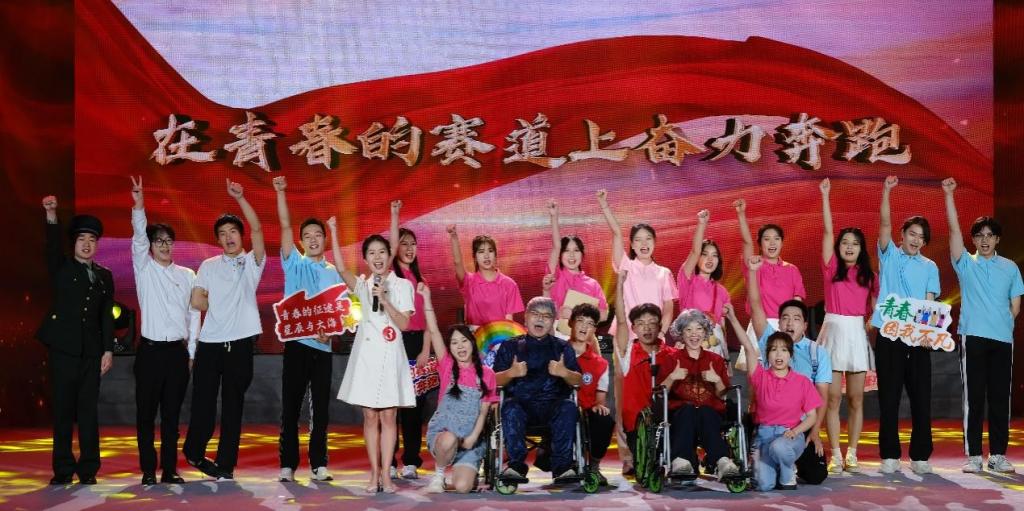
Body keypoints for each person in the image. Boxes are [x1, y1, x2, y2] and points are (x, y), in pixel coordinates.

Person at [184, 179, 266, 481]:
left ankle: (226, 465)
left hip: (240, 345)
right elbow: (197, 300)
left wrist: (241, 198)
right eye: (222, 233)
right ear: (217, 240)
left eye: (233, 232)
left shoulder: (252, 263)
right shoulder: (208, 265)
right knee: (203, 404)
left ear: (241, 236)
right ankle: (194, 451)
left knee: (233, 407)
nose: (228, 237)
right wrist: (212, 302)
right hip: (210, 344)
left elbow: (258, 229)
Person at [943, 178, 1023, 474]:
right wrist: (949, 195)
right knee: (974, 398)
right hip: (973, 337)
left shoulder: (1010, 267)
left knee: (1001, 398)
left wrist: (1002, 324)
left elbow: (1016, 304)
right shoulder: (966, 263)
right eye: (979, 236)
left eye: (990, 235)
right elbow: (954, 232)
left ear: (997, 239)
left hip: (1002, 340)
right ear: (974, 240)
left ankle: (998, 455)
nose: (985, 240)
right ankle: (974, 455)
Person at [331, 217, 416, 494]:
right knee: (369, 416)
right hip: (367, 355)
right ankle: (374, 473)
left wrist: (386, 298)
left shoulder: (402, 286)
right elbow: (341, 268)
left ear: (389, 255)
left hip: (391, 354)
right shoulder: (362, 285)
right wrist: (333, 231)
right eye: (371, 253)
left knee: (389, 416)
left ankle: (388, 476)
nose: (377, 257)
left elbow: (404, 324)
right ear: (366, 259)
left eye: (382, 252)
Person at [597, 189, 676, 475]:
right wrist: (605, 205)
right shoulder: (625, 266)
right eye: (638, 240)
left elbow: (668, 306)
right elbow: (615, 234)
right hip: (627, 341)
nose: (643, 244)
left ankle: (657, 451)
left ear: (655, 243)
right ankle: (629, 456)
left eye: (648, 239)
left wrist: (661, 333)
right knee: (624, 399)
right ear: (631, 244)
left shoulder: (664, 272)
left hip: (655, 343)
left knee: (654, 396)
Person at [37, 196, 115, 485]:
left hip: (91, 353)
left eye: (92, 240)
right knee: (63, 411)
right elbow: (51, 247)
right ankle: (62, 469)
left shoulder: (105, 276)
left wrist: (108, 350)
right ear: (74, 243)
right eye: (82, 239)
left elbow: (106, 315)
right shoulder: (62, 267)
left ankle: (89, 469)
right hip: (63, 350)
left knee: (88, 412)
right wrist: (51, 215)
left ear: (97, 244)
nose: (86, 244)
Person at [129, 176, 199, 485]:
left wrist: (192, 352)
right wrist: (139, 205)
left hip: (176, 354)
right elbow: (138, 238)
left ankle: (169, 469)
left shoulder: (188, 275)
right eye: (158, 241)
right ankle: (148, 469)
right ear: (151, 246)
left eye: (169, 241)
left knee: (171, 415)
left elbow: (194, 315)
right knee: (146, 414)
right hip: (149, 352)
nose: (164, 246)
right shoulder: (144, 269)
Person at [272, 176, 339, 483]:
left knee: (320, 410)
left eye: (317, 235)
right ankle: (287, 464)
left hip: (323, 348)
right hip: (297, 346)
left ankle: (319, 463)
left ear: (324, 239)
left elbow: (341, 312)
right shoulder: (294, 264)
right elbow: (285, 225)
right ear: (300, 242)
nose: (313, 240)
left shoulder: (334, 272)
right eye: (307, 236)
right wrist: (281, 193)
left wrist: (331, 333)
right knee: (291, 407)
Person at [873, 175, 940, 475]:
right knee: (889, 398)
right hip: (889, 335)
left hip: (918, 338)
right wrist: (887, 191)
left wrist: (927, 332)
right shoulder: (889, 256)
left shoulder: (930, 266)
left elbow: (929, 302)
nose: (915, 240)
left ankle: (920, 455)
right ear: (902, 234)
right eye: (911, 234)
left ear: (925, 242)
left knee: (921, 399)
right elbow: (884, 224)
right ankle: (889, 455)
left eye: (921, 237)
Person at [746, 255, 830, 486]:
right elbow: (756, 306)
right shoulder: (770, 342)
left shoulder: (817, 352)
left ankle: (786, 462)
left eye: (796, 319)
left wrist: (815, 431)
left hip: (800, 427)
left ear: (805, 325)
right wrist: (752, 272)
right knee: (764, 483)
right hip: (769, 424)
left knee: (816, 476)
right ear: (779, 323)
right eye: (785, 319)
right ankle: (771, 463)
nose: (790, 323)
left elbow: (822, 397)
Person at [725, 302, 822, 491]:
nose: (779, 355)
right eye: (774, 350)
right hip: (764, 437)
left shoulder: (802, 382)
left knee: (779, 448)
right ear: (767, 354)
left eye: (784, 350)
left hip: (789, 437)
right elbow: (748, 345)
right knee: (764, 485)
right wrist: (732, 318)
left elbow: (812, 416)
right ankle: (773, 469)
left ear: (790, 355)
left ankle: (787, 471)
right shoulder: (760, 377)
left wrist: (795, 431)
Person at [818, 178, 878, 474]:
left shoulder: (869, 275)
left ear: (861, 248)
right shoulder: (830, 268)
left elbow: (878, 307)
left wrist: (869, 324)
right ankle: (836, 455)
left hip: (856, 334)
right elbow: (828, 231)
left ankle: (852, 452)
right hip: (832, 332)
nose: (849, 247)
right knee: (832, 398)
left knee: (855, 398)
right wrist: (825, 196)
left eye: (854, 244)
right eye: (845, 243)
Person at [418, 283, 498, 493]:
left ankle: (468, 470)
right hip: (443, 436)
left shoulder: (487, 374)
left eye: (464, 341)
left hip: (470, 440)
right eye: (454, 343)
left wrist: (473, 437)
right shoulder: (446, 366)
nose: (460, 346)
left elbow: (484, 411)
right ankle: (439, 476)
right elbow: (434, 330)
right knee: (449, 438)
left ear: (472, 343)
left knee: (463, 488)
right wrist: (426, 299)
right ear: (450, 348)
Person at [493, 297, 582, 481]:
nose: (540, 319)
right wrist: (511, 373)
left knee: (569, 407)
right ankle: (516, 466)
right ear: (525, 318)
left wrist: (564, 372)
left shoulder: (562, 347)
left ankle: (562, 467)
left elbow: (578, 381)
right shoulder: (509, 346)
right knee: (509, 407)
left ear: (553, 321)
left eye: (547, 316)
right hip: (521, 406)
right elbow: (494, 381)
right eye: (535, 314)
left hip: (553, 406)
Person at [658, 309, 739, 480]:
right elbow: (660, 392)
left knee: (706, 411)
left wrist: (717, 380)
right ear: (681, 333)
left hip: (710, 412)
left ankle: (722, 461)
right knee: (688, 410)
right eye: (688, 329)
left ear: (705, 332)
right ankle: (681, 460)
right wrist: (672, 377)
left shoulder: (716, 360)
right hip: (681, 413)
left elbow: (722, 394)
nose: (694, 334)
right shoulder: (671, 359)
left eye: (699, 329)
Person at [610, 270, 676, 474]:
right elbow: (621, 319)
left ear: (660, 326)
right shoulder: (627, 351)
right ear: (634, 328)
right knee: (645, 469)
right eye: (641, 323)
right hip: (637, 426)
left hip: (667, 423)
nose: (647, 328)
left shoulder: (672, 354)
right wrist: (619, 285)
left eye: (652, 323)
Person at [733, 198, 806, 371]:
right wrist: (741, 214)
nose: (772, 243)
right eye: (767, 239)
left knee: (785, 377)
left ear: (782, 242)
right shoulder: (754, 265)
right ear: (760, 243)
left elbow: (797, 304)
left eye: (776, 239)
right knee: (757, 380)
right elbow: (746, 242)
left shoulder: (792, 269)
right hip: (760, 325)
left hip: (786, 328)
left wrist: (796, 330)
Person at [390, 201, 433, 480]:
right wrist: (395, 215)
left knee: (413, 408)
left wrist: (426, 350)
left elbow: (428, 319)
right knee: (392, 406)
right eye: (404, 243)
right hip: (394, 342)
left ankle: (410, 461)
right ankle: (389, 460)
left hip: (417, 346)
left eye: (413, 244)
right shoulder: (391, 276)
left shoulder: (421, 280)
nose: (408, 248)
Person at [567, 303, 614, 485]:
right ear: (571, 323)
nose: (584, 327)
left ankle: (594, 466)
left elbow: (599, 400)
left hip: (585, 410)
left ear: (594, 330)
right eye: (580, 321)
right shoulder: (557, 352)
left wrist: (599, 406)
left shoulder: (600, 364)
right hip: (559, 409)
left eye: (590, 324)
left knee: (604, 419)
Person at [543, 200, 609, 330]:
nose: (572, 255)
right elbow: (556, 246)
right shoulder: (555, 275)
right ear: (560, 255)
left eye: (576, 250)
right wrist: (554, 217)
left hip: (583, 335)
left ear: (582, 254)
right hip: (556, 334)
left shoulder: (592, 284)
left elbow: (604, 314)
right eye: (567, 251)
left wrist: (576, 314)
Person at [675, 209, 731, 363]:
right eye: (705, 254)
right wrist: (702, 224)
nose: (710, 259)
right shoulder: (687, 280)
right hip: (690, 346)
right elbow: (694, 251)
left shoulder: (722, 291)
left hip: (715, 348)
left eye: (714, 255)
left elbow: (722, 327)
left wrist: (726, 358)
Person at [447, 225, 524, 326]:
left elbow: (508, 322)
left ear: (495, 255)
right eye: (481, 252)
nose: (486, 256)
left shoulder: (509, 284)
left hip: (500, 335)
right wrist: (454, 237)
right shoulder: (468, 282)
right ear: (475, 257)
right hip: (474, 335)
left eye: (490, 251)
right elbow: (457, 262)